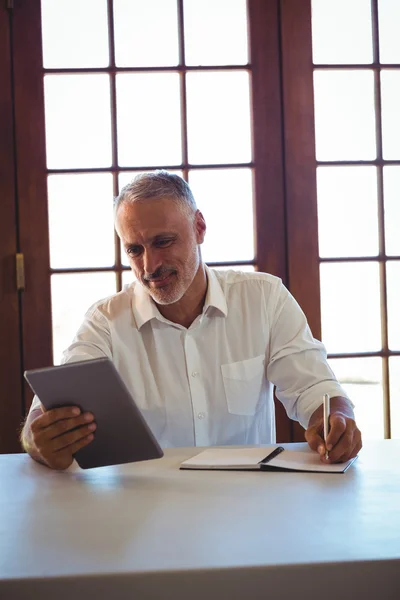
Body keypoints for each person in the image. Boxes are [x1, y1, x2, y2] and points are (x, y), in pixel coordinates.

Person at [20, 171, 362, 470]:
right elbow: (42, 419)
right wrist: (40, 441)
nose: (150, 265)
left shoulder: (264, 298)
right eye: (134, 250)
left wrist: (336, 418)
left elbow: (314, 389)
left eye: (163, 242)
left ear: (199, 228)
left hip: (247, 507)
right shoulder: (105, 323)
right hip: (144, 515)